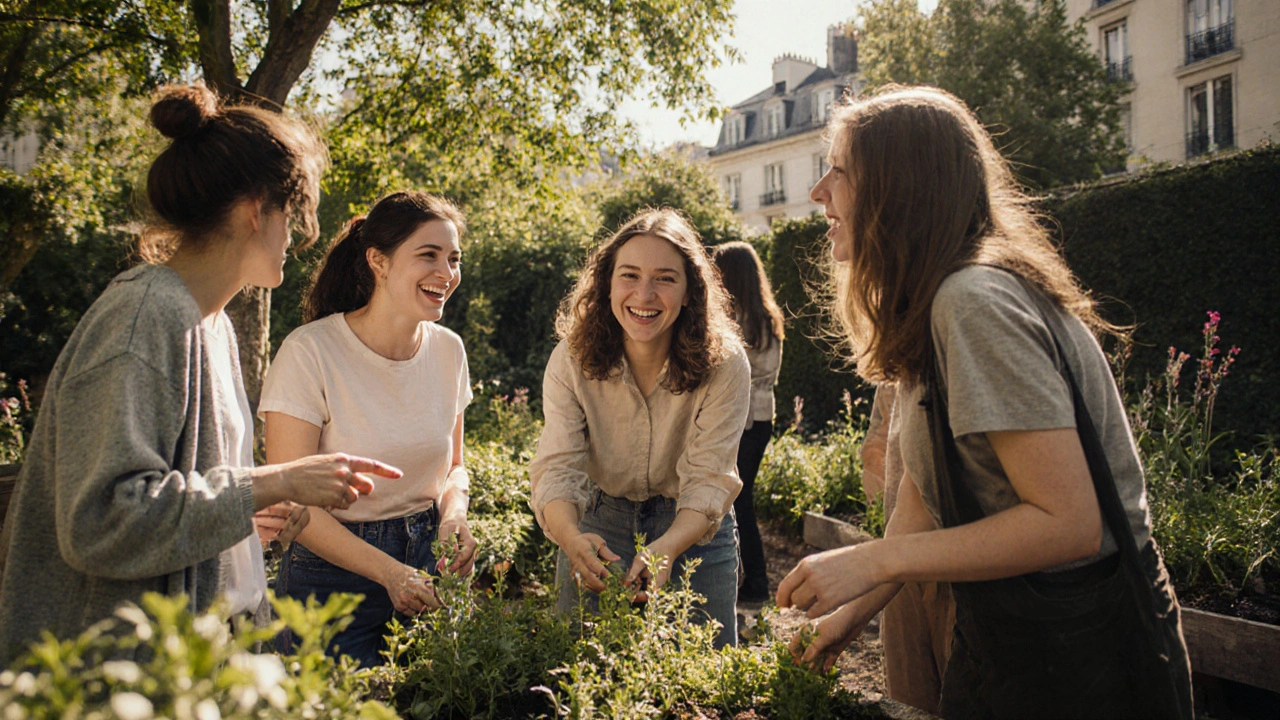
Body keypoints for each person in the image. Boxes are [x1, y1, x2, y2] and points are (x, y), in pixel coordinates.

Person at [778, 86, 1193, 719]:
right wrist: (847, 617)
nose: (819, 191)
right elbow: (924, 499)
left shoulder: (972, 302)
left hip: (1081, 658)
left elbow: (1070, 522)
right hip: (1029, 646)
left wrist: (871, 559)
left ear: (899, 188)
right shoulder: (932, 307)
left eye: (839, 170)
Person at [0, 85, 399, 665]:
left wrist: (246, 515)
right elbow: (102, 521)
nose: (298, 236)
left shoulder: (211, 326)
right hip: (119, 687)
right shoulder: (143, 319)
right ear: (255, 209)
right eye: (292, 215)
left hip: (207, 663)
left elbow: (188, 498)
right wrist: (274, 482)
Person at [260, 190, 476, 668]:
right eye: (429, 255)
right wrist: (388, 572)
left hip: (426, 562)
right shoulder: (310, 353)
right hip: (329, 576)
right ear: (378, 261)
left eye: (454, 258)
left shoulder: (449, 351)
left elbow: (455, 467)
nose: (447, 272)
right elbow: (290, 502)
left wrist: (453, 518)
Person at [529, 208, 750, 649]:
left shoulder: (725, 363)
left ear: (690, 291)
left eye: (665, 278)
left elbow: (709, 478)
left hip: (693, 531)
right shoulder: (571, 360)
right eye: (629, 275)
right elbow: (557, 467)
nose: (644, 295)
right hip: (597, 524)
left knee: (704, 679)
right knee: (580, 671)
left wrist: (668, 546)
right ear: (607, 283)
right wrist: (571, 539)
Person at [861, 384, 954, 715]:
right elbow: (909, 484)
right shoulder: (902, 363)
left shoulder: (972, 347)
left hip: (969, 574)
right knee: (907, 705)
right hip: (902, 568)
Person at [711, 241, 784, 606]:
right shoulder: (766, 317)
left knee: (737, 500)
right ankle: (750, 581)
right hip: (761, 418)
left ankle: (753, 583)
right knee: (740, 499)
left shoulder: (736, 320)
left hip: (743, 420)